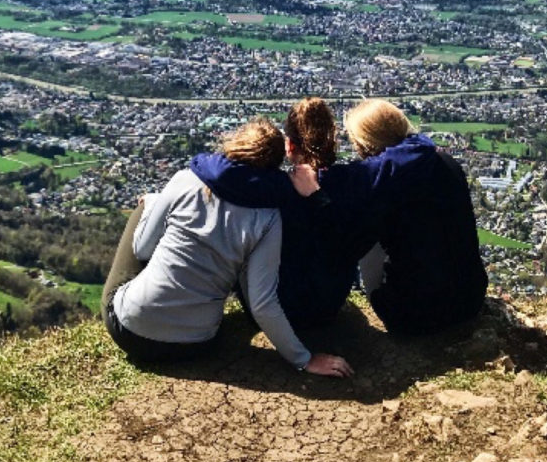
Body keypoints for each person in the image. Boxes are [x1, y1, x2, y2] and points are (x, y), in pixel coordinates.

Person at [101, 117, 354, 377]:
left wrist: (155, 203)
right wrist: (304, 359)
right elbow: (262, 303)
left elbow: (142, 249)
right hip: (197, 343)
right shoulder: (268, 215)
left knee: (147, 206)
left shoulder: (185, 180)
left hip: (129, 330)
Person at [295, 99, 487, 335]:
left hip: (415, 314)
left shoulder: (384, 178)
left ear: (365, 142)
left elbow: (343, 229)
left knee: (365, 225)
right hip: (471, 298)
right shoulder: (439, 158)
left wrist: (315, 194)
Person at [191, 98, 379, 331]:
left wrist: (198, 160)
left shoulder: (277, 187)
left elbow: (220, 174)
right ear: (334, 139)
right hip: (329, 306)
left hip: (276, 307)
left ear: (290, 146)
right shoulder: (357, 181)